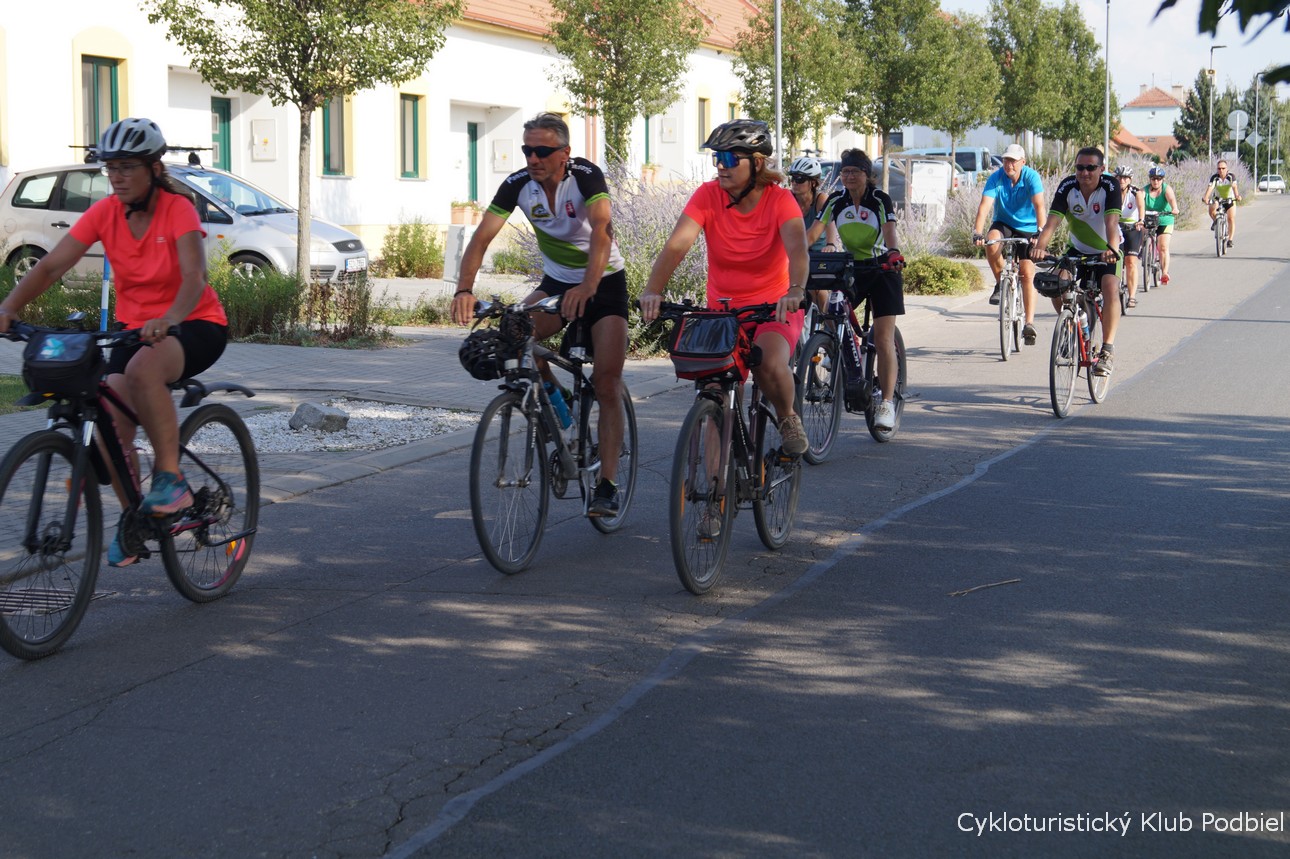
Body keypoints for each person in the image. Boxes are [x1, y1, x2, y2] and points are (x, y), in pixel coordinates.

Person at [0, 117, 229, 567]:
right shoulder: (105, 213)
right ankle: (135, 519)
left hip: (193, 323)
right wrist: (8, 308)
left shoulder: (177, 209)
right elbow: (51, 266)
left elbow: (194, 276)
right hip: (133, 330)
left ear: (154, 168)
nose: (117, 177)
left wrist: (170, 318)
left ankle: (170, 479)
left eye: (127, 167)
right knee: (108, 422)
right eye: (111, 168)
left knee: (143, 372)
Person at [450, 112, 628, 516]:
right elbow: (481, 238)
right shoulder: (518, 185)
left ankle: (607, 484)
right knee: (514, 334)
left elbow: (603, 229)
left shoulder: (585, 177)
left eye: (543, 151)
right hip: (557, 282)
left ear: (565, 153)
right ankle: (558, 399)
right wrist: (464, 289)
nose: (533, 158)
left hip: (604, 282)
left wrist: (588, 286)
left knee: (606, 382)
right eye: (527, 150)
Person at [638, 118, 810, 457]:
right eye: (717, 157)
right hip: (723, 312)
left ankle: (787, 416)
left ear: (756, 163)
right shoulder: (707, 195)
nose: (720, 165)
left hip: (773, 308)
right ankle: (715, 490)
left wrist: (795, 289)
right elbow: (677, 246)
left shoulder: (780, 200)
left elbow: (798, 251)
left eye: (730, 158)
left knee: (767, 362)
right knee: (714, 389)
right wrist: (652, 290)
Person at [819, 149, 905, 430]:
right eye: (845, 171)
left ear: (867, 175)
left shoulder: (879, 199)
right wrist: (792, 253)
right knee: (832, 309)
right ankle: (839, 349)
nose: (849, 176)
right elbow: (815, 231)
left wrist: (893, 251)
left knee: (883, 338)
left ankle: (887, 402)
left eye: (855, 171)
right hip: (852, 269)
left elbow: (889, 230)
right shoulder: (836, 200)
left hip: (883, 268)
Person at [1031, 146, 1123, 378]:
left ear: (1101, 169)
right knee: (1056, 284)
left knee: (1110, 287)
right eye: (1080, 167)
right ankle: (1071, 327)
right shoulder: (1067, 187)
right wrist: (1040, 248)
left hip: (1106, 250)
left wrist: (1112, 249)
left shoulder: (1110, 186)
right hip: (1077, 250)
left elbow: (1112, 223)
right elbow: (1052, 223)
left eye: (1091, 167)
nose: (1085, 172)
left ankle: (1107, 350)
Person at [972, 143, 1047, 345]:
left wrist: (1040, 232)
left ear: (1023, 162)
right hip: (1003, 223)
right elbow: (984, 207)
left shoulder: (1031, 177)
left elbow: (1039, 206)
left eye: (1013, 161)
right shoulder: (996, 178)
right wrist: (977, 232)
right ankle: (1000, 283)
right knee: (991, 242)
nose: (1009, 165)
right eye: (1006, 160)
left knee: (1027, 272)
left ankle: (1029, 323)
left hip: (1028, 227)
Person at [1114, 165, 1146, 308]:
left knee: (1131, 261)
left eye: (1125, 178)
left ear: (1130, 180)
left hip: (1132, 228)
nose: (1122, 180)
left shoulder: (1135, 192)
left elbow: (1141, 208)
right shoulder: (1110, 192)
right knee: (1114, 260)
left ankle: (1132, 296)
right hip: (1116, 228)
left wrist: (1141, 220)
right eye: (1119, 177)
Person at [1143, 165, 1178, 284]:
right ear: (1150, 179)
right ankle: (1145, 253)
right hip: (1149, 219)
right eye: (1153, 179)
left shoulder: (1166, 189)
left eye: (1158, 179)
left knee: (1163, 246)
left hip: (1165, 219)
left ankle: (1164, 273)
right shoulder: (1144, 190)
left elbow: (1172, 199)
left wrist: (1174, 208)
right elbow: (1139, 200)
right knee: (1141, 235)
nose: (1156, 181)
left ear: (1162, 179)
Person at [786, 156, 829, 252]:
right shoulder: (787, 199)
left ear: (813, 182)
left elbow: (830, 224)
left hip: (819, 254)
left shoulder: (821, 199)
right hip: (794, 251)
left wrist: (831, 244)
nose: (794, 183)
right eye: (792, 178)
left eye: (799, 179)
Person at [1203, 159, 1242, 248]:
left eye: (1223, 168)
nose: (1221, 170)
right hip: (1218, 199)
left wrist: (1237, 196)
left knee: (1230, 218)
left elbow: (1234, 187)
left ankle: (1230, 240)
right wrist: (1206, 197)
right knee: (1211, 210)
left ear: (1227, 169)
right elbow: (1210, 188)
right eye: (1219, 168)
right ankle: (1216, 222)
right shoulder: (1215, 177)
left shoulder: (1231, 177)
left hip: (1230, 199)